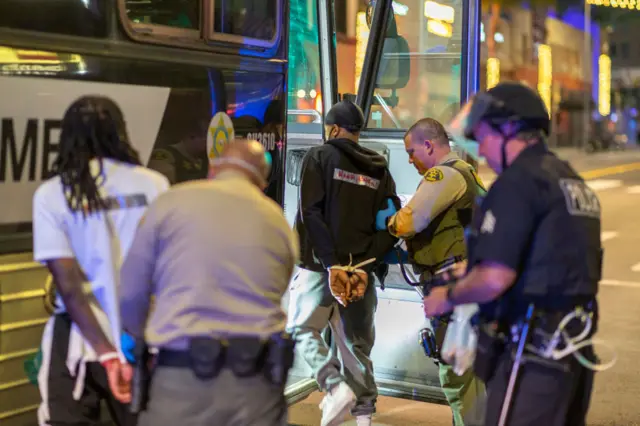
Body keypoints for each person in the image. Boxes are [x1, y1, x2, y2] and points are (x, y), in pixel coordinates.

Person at [423, 82, 602, 425]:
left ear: (509, 130)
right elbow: (545, 259)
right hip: (573, 353)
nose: (482, 152)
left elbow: (495, 277)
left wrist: (447, 296)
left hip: (532, 354)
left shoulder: (518, 183)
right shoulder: (569, 179)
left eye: (485, 138)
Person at [118, 140, 299, 426]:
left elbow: (130, 293)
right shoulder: (277, 220)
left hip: (180, 380)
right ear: (262, 182)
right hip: (256, 388)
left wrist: (139, 341)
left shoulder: (171, 202)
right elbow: (281, 287)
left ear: (213, 169)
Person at [32, 96, 169, 426]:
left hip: (79, 343)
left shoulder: (53, 194)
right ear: (120, 133)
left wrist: (108, 356)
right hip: (143, 338)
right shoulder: (154, 184)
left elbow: (69, 287)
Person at [287, 100, 399, 426]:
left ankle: (334, 388)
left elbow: (312, 213)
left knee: (302, 327)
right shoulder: (379, 168)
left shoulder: (319, 157)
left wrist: (332, 263)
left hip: (322, 270)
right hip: (361, 274)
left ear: (333, 129)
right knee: (356, 346)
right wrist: (363, 265)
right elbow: (390, 225)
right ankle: (363, 414)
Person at [379, 118, 485, 426]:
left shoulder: (444, 175)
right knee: (471, 377)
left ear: (428, 145)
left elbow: (410, 221)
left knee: (457, 374)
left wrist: (388, 222)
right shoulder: (467, 172)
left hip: (455, 286)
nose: (410, 159)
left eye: (411, 152)